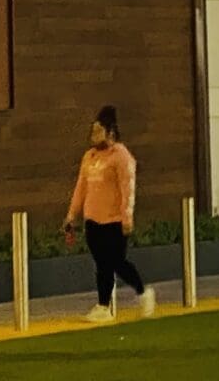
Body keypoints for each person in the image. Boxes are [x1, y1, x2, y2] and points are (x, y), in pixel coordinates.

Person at [63, 105, 154, 324]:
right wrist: (71, 215)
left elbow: (127, 188)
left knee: (116, 262)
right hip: (93, 219)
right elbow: (81, 187)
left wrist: (127, 217)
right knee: (101, 265)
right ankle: (103, 306)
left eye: (97, 131)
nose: (93, 136)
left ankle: (142, 291)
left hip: (114, 220)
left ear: (110, 132)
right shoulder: (89, 157)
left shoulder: (121, 156)